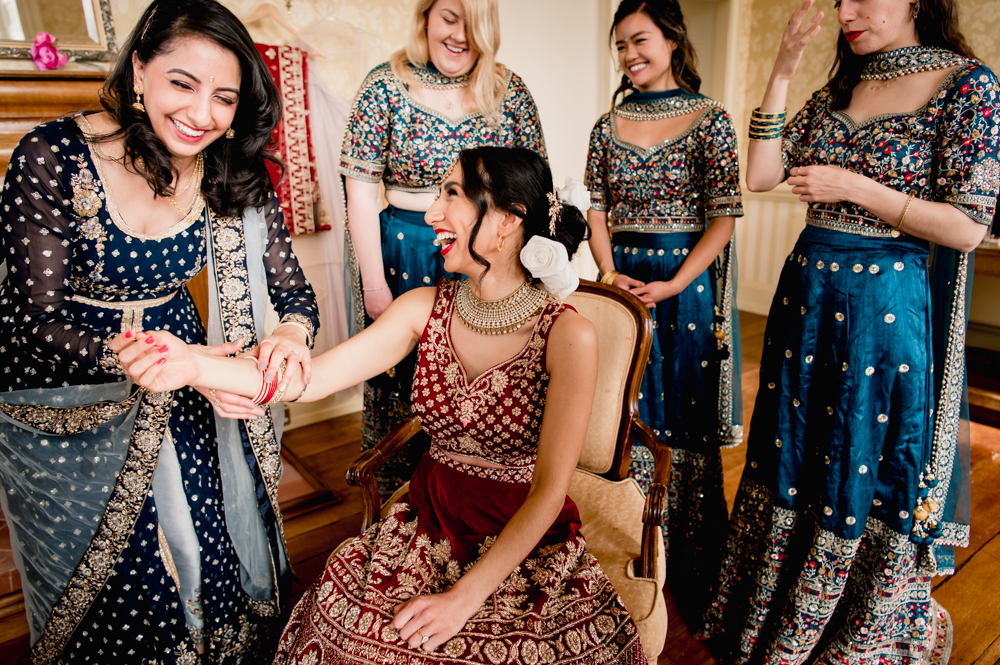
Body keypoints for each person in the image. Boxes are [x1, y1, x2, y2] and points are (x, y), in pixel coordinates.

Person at [111, 146, 647, 664]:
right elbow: (312, 379)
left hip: (520, 537)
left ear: (507, 220)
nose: (432, 211)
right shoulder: (423, 308)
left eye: (452, 193)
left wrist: (464, 599)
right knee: (352, 643)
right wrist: (193, 365)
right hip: (427, 518)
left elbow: (552, 490)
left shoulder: (568, 334)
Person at [0, 1, 320, 662]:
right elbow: (37, 318)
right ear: (139, 70)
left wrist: (287, 337)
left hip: (183, 367)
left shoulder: (229, 167)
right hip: (67, 386)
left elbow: (292, 294)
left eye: (224, 97)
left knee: (207, 546)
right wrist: (168, 360)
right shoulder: (51, 156)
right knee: (122, 580)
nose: (203, 114)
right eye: (183, 83)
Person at [699, 0, 998, 661]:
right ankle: (772, 603)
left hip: (882, 307)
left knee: (859, 453)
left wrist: (857, 188)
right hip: (805, 296)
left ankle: (849, 621)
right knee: (793, 450)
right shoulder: (845, 81)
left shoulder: (966, 84)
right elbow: (762, 174)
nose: (847, 11)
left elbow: (970, 226)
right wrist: (781, 66)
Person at [341, 0, 547, 499]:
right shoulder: (383, 84)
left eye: (473, 26)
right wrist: (374, 284)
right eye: (449, 19)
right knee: (402, 385)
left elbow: (532, 194)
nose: (459, 36)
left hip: (487, 257)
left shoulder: (509, 90)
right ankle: (400, 504)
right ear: (426, 16)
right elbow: (361, 194)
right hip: (404, 254)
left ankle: (478, 495)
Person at [584, 0, 743, 623]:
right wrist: (606, 272)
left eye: (640, 40)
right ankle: (630, 541)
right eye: (620, 44)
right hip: (622, 278)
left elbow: (724, 216)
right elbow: (596, 208)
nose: (629, 54)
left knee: (683, 403)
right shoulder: (607, 124)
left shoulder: (712, 120)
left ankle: (692, 555)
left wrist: (676, 282)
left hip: (686, 286)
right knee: (624, 404)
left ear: (673, 39)